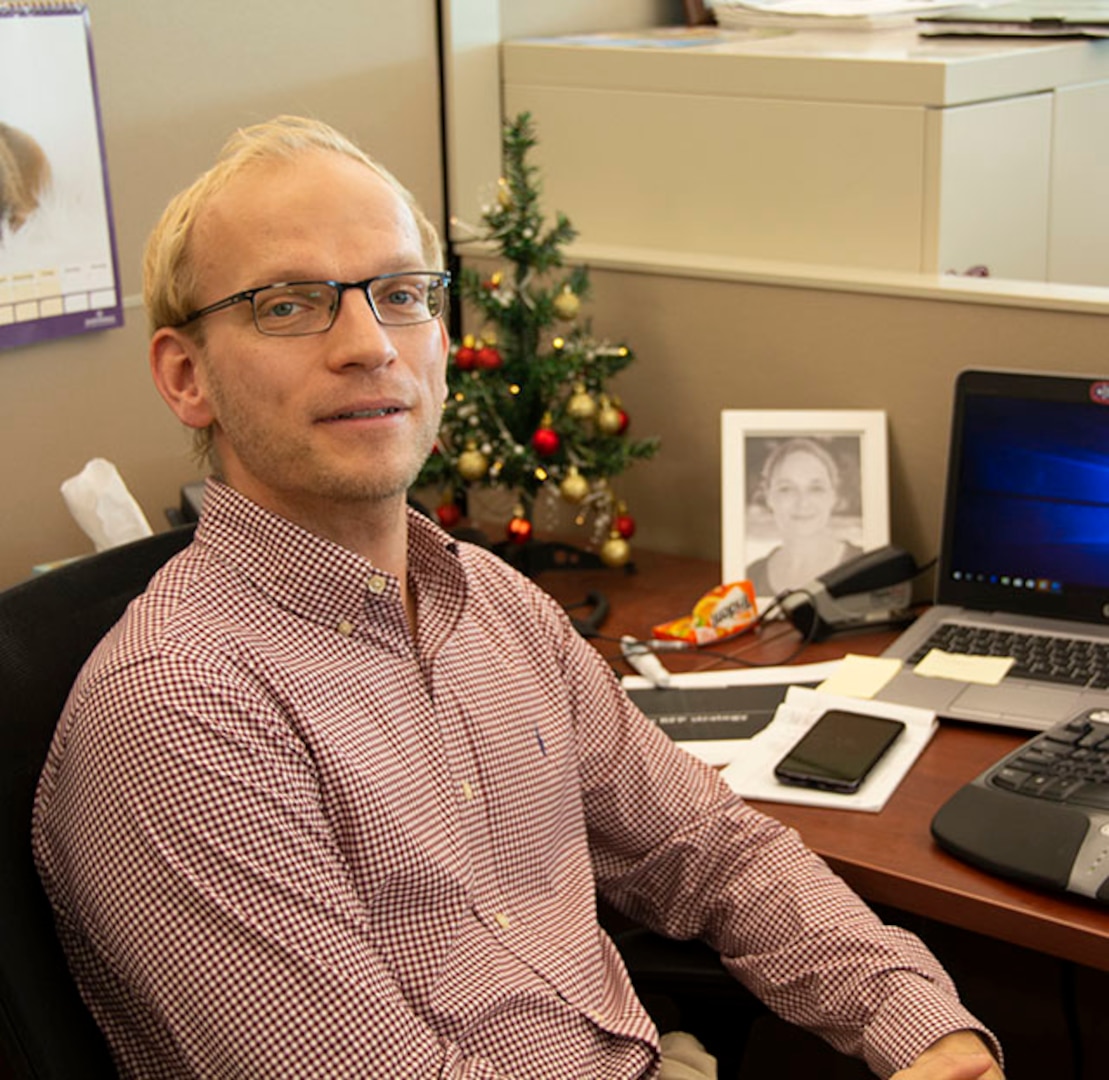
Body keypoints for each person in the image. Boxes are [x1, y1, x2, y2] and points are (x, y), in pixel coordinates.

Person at [32, 116, 1005, 1080]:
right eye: (288, 305)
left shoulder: (487, 600)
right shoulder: (180, 713)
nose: (369, 345)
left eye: (402, 294)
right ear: (185, 375)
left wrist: (921, 1028)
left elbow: (709, 848)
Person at [745, 436, 863, 598]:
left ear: (833, 496)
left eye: (816, 488)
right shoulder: (750, 577)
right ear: (768, 496)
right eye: (786, 489)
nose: (803, 502)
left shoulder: (863, 565)